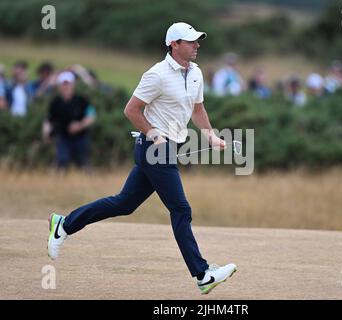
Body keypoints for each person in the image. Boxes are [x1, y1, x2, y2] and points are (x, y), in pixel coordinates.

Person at [47, 22, 237, 295]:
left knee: (124, 203)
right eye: (191, 41)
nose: (197, 45)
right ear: (174, 44)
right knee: (181, 209)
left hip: (169, 147)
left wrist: (210, 136)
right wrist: (154, 134)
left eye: (198, 41)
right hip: (153, 148)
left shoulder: (195, 73)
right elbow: (132, 109)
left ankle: (64, 224)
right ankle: (202, 273)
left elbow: (197, 109)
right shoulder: (157, 74)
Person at [42, 71, 96, 170]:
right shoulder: (55, 102)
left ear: (73, 85)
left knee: (83, 162)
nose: (66, 87)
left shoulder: (81, 100)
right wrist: (46, 133)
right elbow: (49, 119)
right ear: (59, 86)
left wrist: (80, 125)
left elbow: (91, 115)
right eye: (64, 84)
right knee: (62, 161)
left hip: (80, 137)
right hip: (63, 137)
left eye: (68, 84)